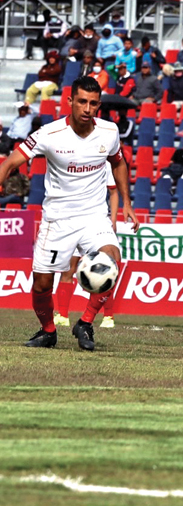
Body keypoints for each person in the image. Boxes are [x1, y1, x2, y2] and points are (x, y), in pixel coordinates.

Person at [0, 76, 137, 350]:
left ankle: (85, 323)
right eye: (82, 102)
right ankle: (48, 331)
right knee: (41, 285)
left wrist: (126, 202)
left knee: (113, 259)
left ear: (99, 105)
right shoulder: (49, 134)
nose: (87, 108)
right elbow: (12, 161)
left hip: (93, 215)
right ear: (70, 101)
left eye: (93, 103)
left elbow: (118, 163)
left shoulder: (109, 132)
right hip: (57, 219)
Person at [53, 164, 119, 329]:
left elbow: (113, 191)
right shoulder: (67, 160)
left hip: (93, 223)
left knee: (105, 268)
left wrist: (113, 219)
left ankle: (108, 317)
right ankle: (62, 315)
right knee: (68, 270)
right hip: (70, 222)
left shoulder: (104, 163)